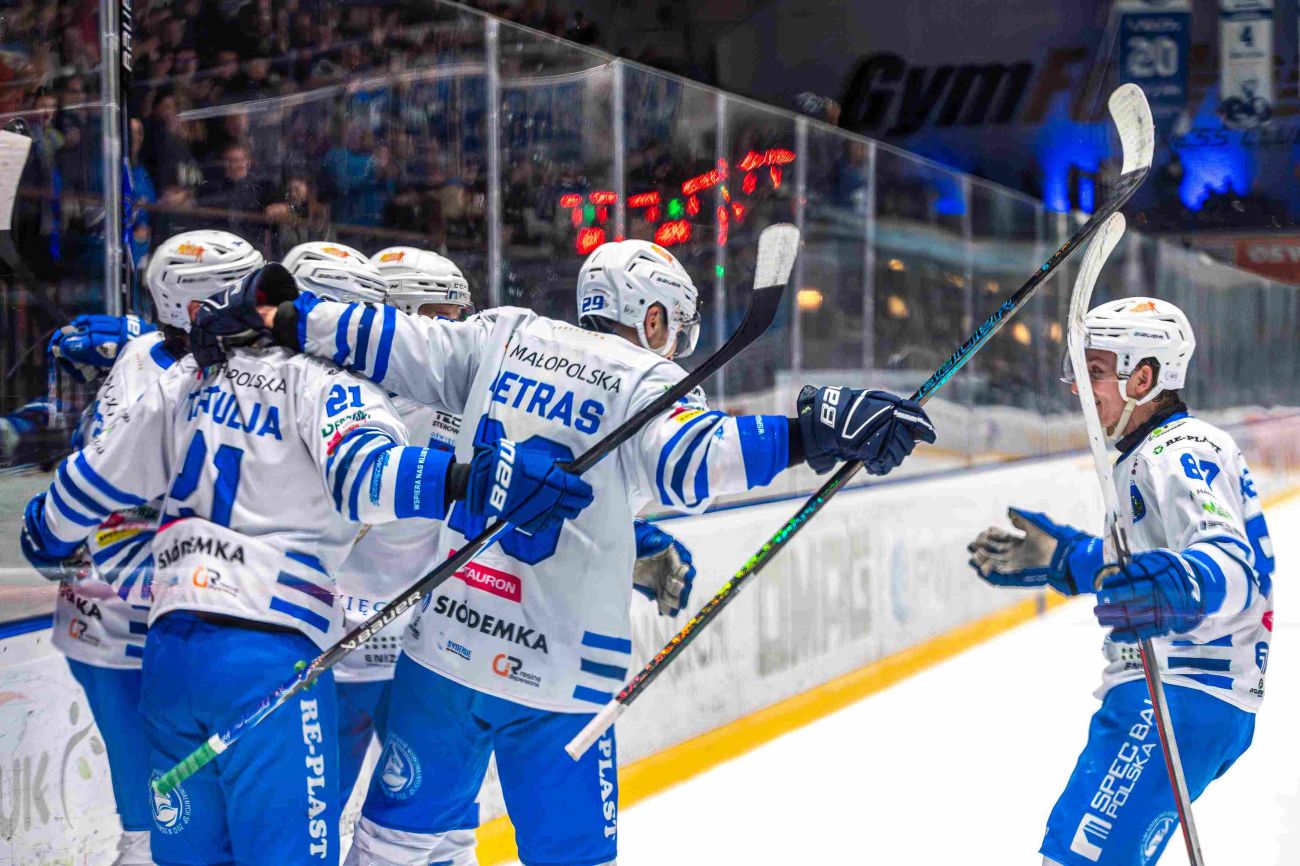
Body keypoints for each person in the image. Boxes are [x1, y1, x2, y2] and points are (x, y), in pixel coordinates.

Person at [200, 237, 936, 866]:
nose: (675, 345)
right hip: (561, 683)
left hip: (444, 655)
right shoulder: (648, 379)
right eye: (674, 327)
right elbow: (693, 463)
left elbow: (386, 339)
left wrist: (282, 316)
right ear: (651, 318)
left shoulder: (502, 335)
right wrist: (810, 435)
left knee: (393, 846)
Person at [21, 261, 594, 866]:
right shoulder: (332, 383)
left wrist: (45, 534)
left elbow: (90, 480)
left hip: (170, 657)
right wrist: (470, 482)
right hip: (268, 658)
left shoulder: (194, 373)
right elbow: (367, 476)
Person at [967, 297, 1273, 866]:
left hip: (1176, 692)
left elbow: (1231, 563)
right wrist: (1070, 558)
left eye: (1097, 371)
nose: (1080, 388)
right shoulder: (1148, 453)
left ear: (1145, 377)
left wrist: (1181, 584)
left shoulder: (1179, 449)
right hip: (1180, 695)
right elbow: (1144, 562)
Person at [42, 230, 265, 866]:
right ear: (199, 306)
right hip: (131, 621)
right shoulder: (178, 384)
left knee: (179, 818)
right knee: (159, 827)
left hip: (110, 614)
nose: (264, 304)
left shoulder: (146, 350)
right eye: (245, 291)